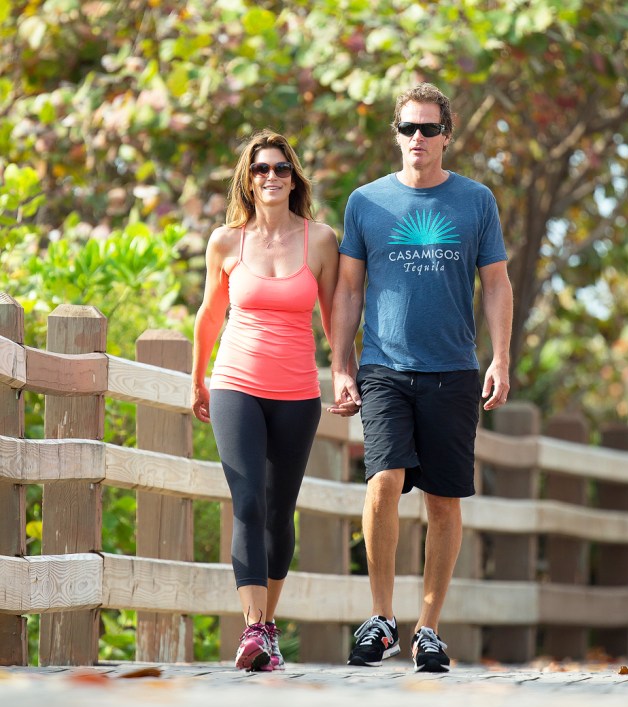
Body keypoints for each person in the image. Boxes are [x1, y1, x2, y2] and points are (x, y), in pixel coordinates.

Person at [329, 83, 513, 673]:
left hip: (454, 369)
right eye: (408, 128)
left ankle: (427, 629)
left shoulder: (476, 200)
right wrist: (340, 364)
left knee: (444, 500)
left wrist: (501, 358)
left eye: (428, 129)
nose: (417, 139)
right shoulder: (367, 203)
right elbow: (350, 288)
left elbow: (497, 285)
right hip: (385, 366)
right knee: (383, 480)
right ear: (397, 134)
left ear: (446, 136)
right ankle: (382, 619)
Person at [192, 130, 339, 672]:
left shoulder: (320, 240)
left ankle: (268, 625)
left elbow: (333, 318)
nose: (271, 177)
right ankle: (251, 631)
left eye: (280, 168)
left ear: (293, 178)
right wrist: (197, 377)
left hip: (298, 393)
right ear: (247, 181)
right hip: (235, 384)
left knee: (280, 513)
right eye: (260, 170)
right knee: (248, 502)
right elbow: (210, 315)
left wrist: (344, 371)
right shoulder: (226, 242)